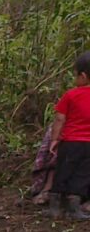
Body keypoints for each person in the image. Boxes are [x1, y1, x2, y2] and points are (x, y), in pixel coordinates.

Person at [47, 51, 90, 219]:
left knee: (63, 171)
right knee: (83, 174)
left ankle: (54, 208)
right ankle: (74, 209)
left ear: (83, 76)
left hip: (70, 142)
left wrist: (54, 139)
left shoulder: (71, 95)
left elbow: (59, 118)